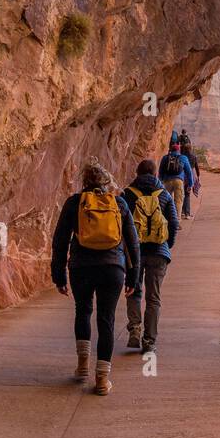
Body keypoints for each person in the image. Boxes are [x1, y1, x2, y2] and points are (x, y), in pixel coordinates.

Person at [51, 159, 140, 395]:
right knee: (106, 319)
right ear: (107, 182)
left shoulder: (74, 203)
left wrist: (58, 275)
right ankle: (101, 379)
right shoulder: (118, 203)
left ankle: (82, 365)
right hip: (113, 268)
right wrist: (133, 278)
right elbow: (133, 243)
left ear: (85, 182)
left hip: (81, 267)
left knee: (83, 311)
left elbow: (59, 241)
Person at [121, 159, 179, 354]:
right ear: (155, 174)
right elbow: (173, 222)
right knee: (153, 298)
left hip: (135, 253)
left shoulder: (128, 194)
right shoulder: (163, 195)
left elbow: (120, 225)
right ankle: (149, 340)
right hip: (158, 252)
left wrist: (125, 249)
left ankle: (135, 330)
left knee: (134, 291)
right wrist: (166, 246)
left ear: (137, 173)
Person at [158, 136, 194, 221]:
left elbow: (161, 171)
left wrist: (161, 181)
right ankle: (177, 221)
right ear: (178, 150)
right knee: (178, 201)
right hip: (178, 181)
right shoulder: (183, 158)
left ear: (170, 150)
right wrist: (190, 184)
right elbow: (189, 172)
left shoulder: (165, 158)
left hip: (167, 181)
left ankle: (167, 219)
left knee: (166, 201)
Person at [178, 130, 201, 219]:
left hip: (181, 176)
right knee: (187, 194)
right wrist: (198, 176)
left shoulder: (181, 156)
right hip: (190, 175)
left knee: (182, 193)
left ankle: (183, 211)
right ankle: (187, 213)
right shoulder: (193, 156)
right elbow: (196, 167)